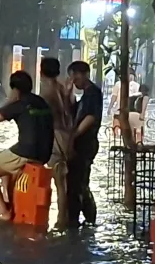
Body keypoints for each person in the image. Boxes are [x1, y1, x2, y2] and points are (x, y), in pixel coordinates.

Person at [0, 70, 54, 222]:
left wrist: (10, 101)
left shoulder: (19, 104)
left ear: (15, 89)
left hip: (26, 151)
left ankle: (3, 212)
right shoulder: (41, 102)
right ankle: (9, 203)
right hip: (45, 154)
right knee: (5, 169)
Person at [38, 57, 75, 230]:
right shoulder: (62, 89)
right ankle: (64, 216)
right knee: (63, 181)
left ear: (41, 71)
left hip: (55, 137)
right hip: (67, 136)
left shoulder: (46, 91)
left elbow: (44, 119)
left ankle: (61, 220)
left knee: (59, 182)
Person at [67, 60, 103, 227]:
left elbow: (90, 118)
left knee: (80, 182)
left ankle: (89, 217)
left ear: (83, 75)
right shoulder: (85, 96)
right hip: (82, 143)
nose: (74, 81)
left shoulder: (92, 94)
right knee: (76, 181)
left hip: (86, 144)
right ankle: (78, 217)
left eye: (75, 77)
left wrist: (74, 135)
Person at [109, 69, 140, 137]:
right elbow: (114, 96)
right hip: (118, 111)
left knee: (129, 129)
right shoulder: (118, 84)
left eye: (132, 75)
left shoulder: (136, 85)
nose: (131, 77)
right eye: (129, 75)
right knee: (116, 127)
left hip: (130, 112)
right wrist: (110, 107)